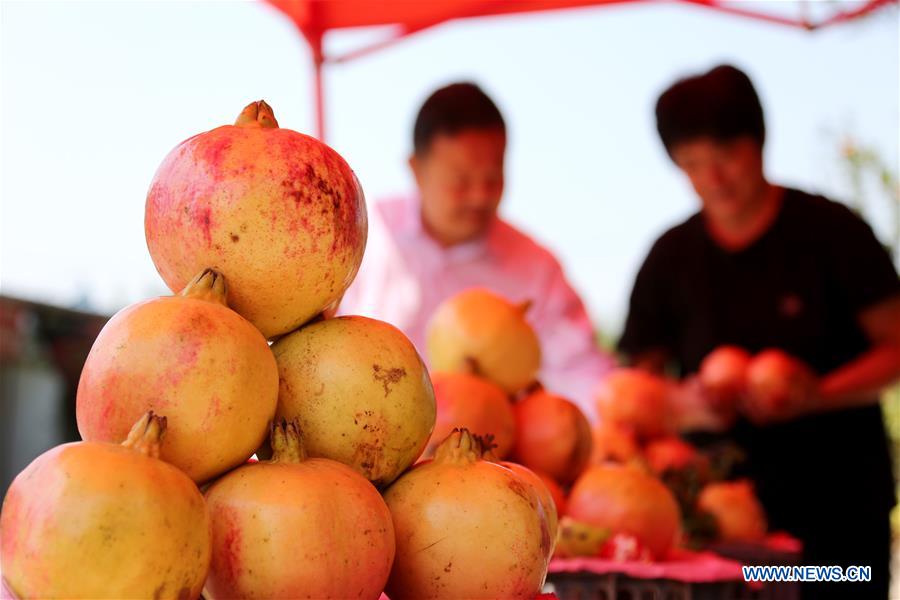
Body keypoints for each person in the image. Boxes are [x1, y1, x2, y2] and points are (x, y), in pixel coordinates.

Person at [619, 64, 900, 599]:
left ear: (760, 143)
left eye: (727, 158)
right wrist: (692, 403)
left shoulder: (833, 232)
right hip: (721, 531)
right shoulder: (669, 258)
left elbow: (897, 347)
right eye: (694, 165)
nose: (714, 179)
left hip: (837, 520)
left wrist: (817, 395)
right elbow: (635, 389)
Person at [339, 82, 614, 418]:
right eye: (461, 181)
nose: (480, 196)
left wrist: (617, 407)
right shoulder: (364, 237)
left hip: (498, 457)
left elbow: (582, 371)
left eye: (493, 179)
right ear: (416, 169)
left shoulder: (536, 267)